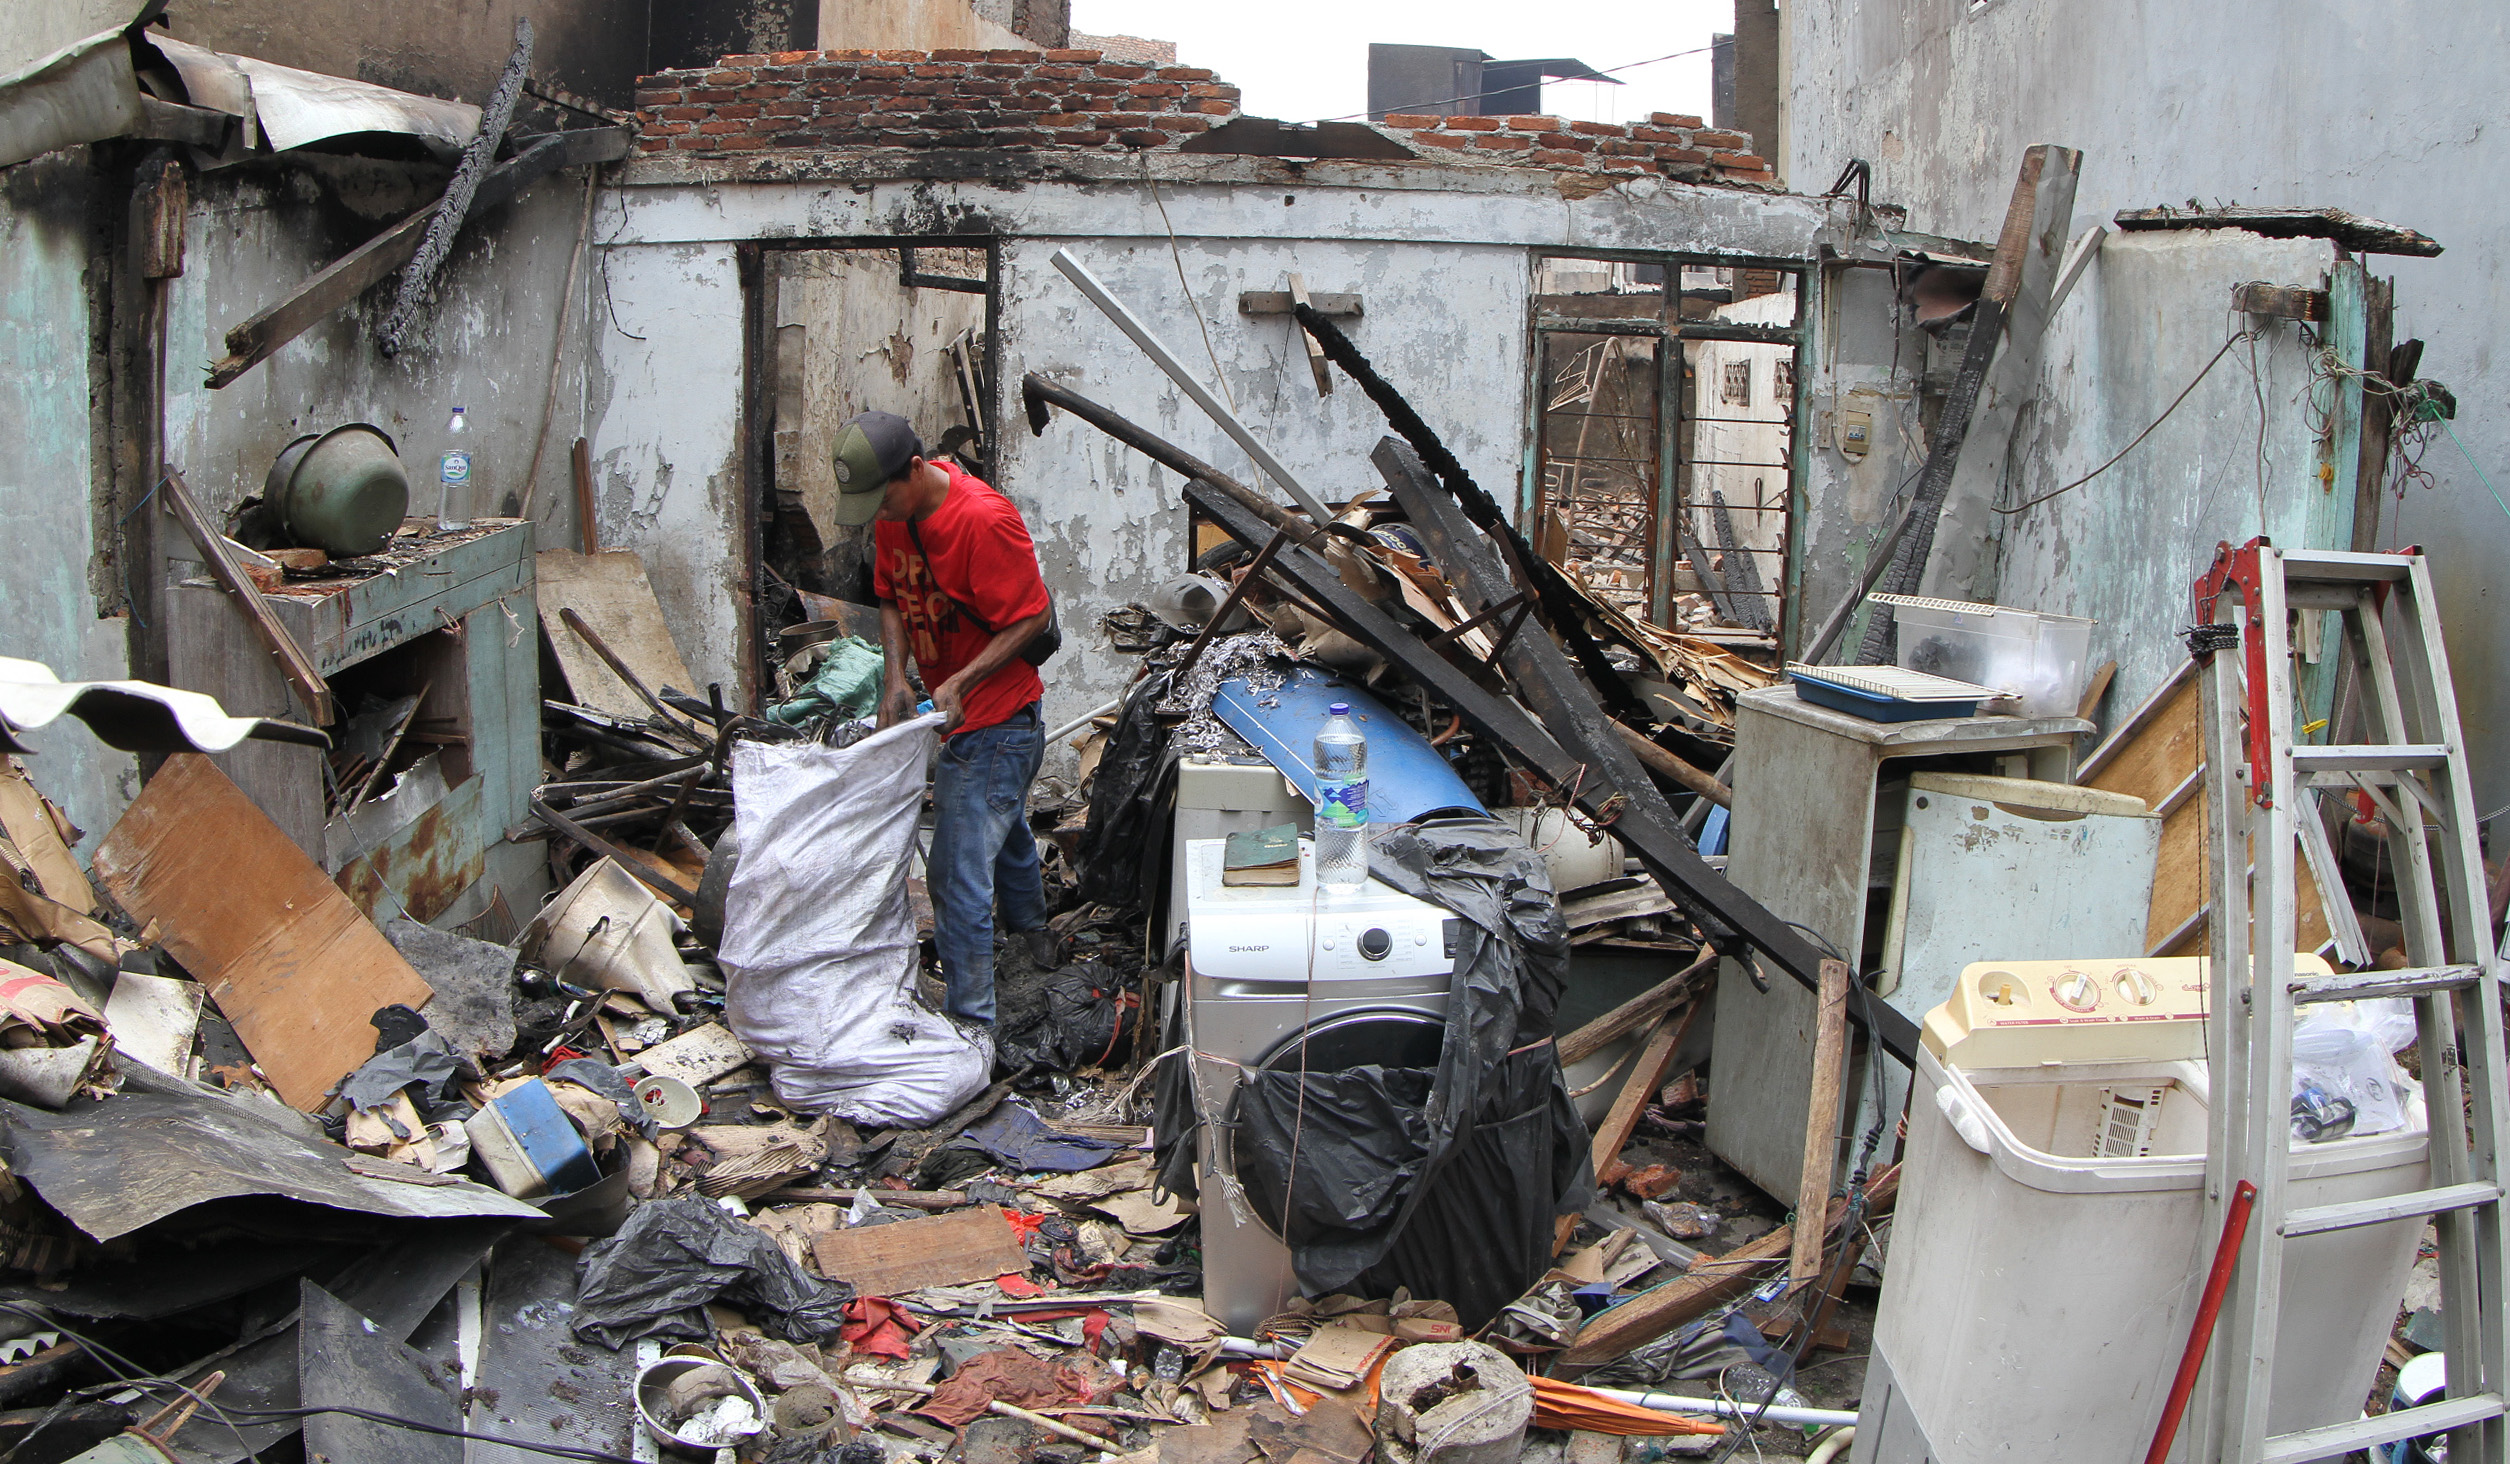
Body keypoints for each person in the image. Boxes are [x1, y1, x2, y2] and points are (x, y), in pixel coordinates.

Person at [831, 410, 1058, 1026]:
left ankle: (971, 1030)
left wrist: (961, 679)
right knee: (1001, 828)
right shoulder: (894, 516)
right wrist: (896, 677)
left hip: (1002, 718)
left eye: (884, 498)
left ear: (915, 468)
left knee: (957, 882)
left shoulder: (983, 519)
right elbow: (889, 596)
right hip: (953, 714)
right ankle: (1038, 939)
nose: (878, 513)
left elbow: (1032, 617)